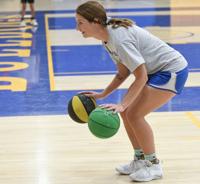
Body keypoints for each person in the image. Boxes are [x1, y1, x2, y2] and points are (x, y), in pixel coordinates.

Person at [75, 1, 188, 182]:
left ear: (95, 21)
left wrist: (122, 103)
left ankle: (154, 165)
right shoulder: (107, 37)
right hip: (156, 71)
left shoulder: (119, 38)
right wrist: (102, 95)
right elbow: (123, 73)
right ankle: (140, 160)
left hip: (171, 70)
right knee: (127, 112)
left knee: (133, 114)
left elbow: (141, 76)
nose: (77, 28)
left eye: (80, 22)